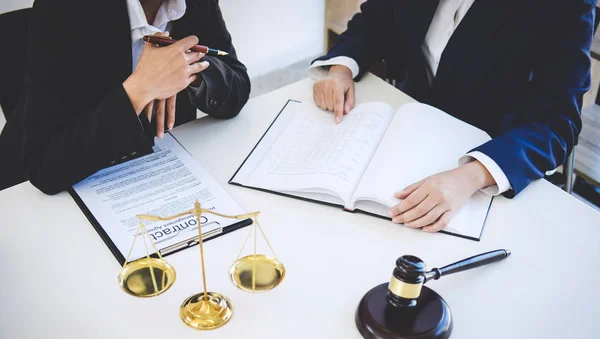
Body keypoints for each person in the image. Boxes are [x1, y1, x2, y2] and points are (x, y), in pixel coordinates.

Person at [310, 0, 595, 232]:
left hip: (491, 153)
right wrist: (341, 68)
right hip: (408, 119)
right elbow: (377, 18)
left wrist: (471, 176)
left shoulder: (567, 6)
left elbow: (558, 123)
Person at [0, 0, 250, 194]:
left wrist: (188, 68)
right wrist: (139, 90)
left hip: (151, 175)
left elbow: (238, 83)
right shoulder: (62, 8)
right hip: (42, 191)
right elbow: (45, 166)